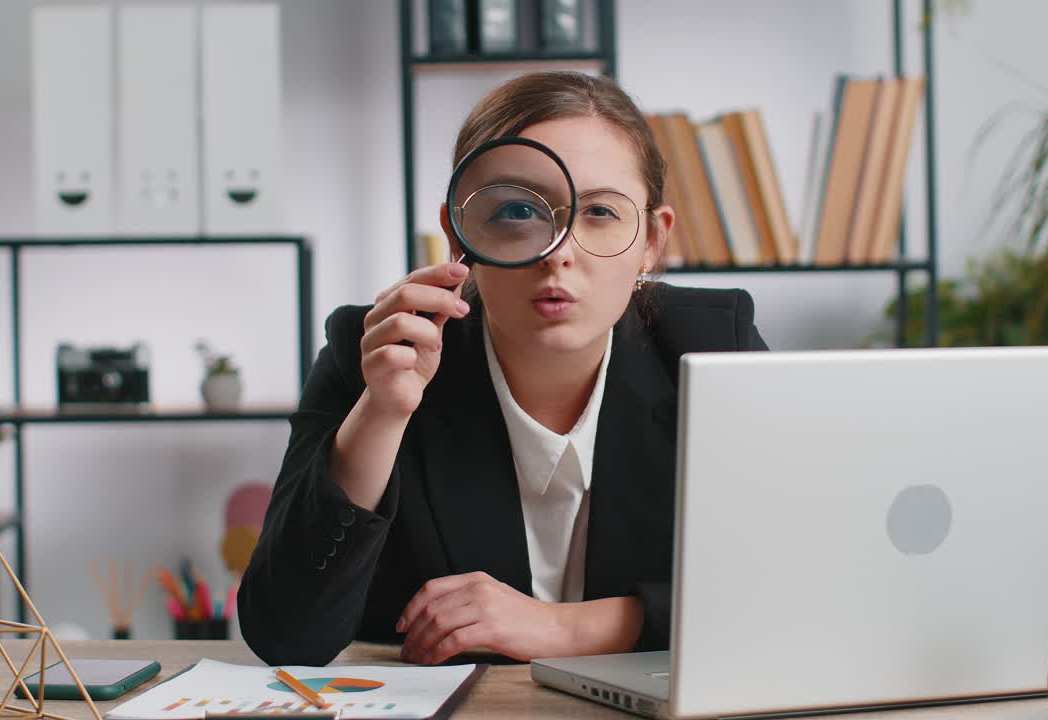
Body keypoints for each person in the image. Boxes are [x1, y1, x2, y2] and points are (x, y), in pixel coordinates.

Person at [238, 71, 768, 667]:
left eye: (600, 211)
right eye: (517, 210)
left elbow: (796, 586)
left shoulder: (714, 349)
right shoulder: (375, 352)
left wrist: (566, 629)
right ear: (459, 232)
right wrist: (381, 415)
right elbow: (287, 637)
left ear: (652, 239)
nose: (559, 252)